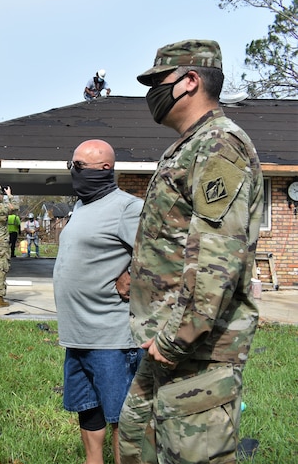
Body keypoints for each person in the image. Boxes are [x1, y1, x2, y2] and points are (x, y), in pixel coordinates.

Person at [119, 39, 264, 464]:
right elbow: (177, 237)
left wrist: (176, 338)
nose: (151, 93)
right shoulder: (191, 145)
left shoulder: (219, 145)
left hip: (196, 350)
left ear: (190, 81)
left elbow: (218, 263)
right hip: (168, 343)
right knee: (134, 438)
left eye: (157, 82)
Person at [54, 139, 144, 464]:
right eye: (71, 165)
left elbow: (160, 254)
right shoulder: (81, 207)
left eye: (77, 166)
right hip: (77, 335)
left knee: (121, 414)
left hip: (111, 336)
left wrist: (131, 274)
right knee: (87, 407)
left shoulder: (127, 207)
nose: (72, 172)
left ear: (104, 168)